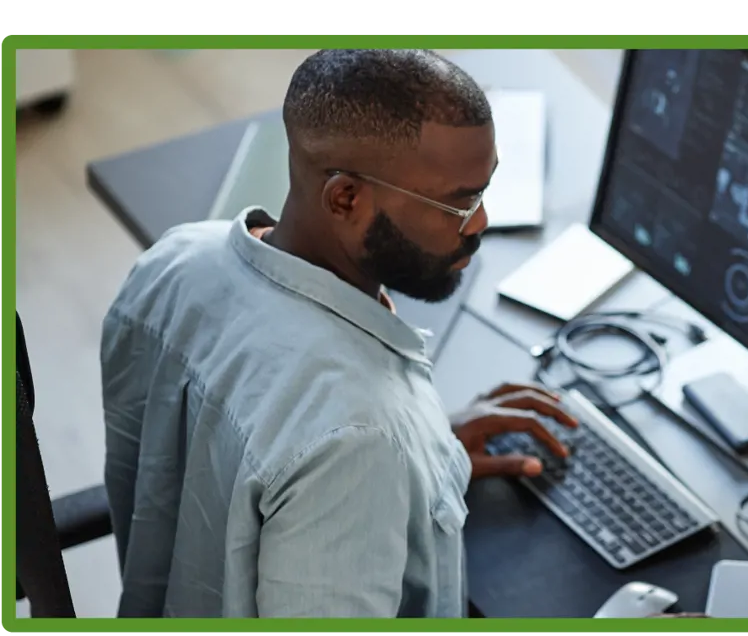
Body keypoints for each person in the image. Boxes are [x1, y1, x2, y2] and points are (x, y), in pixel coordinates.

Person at [100, 49, 579, 618]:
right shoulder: (358, 442)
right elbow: (330, 442)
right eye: (460, 202)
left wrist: (427, 460)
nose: (480, 223)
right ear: (345, 198)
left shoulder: (174, 260)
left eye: (484, 188)